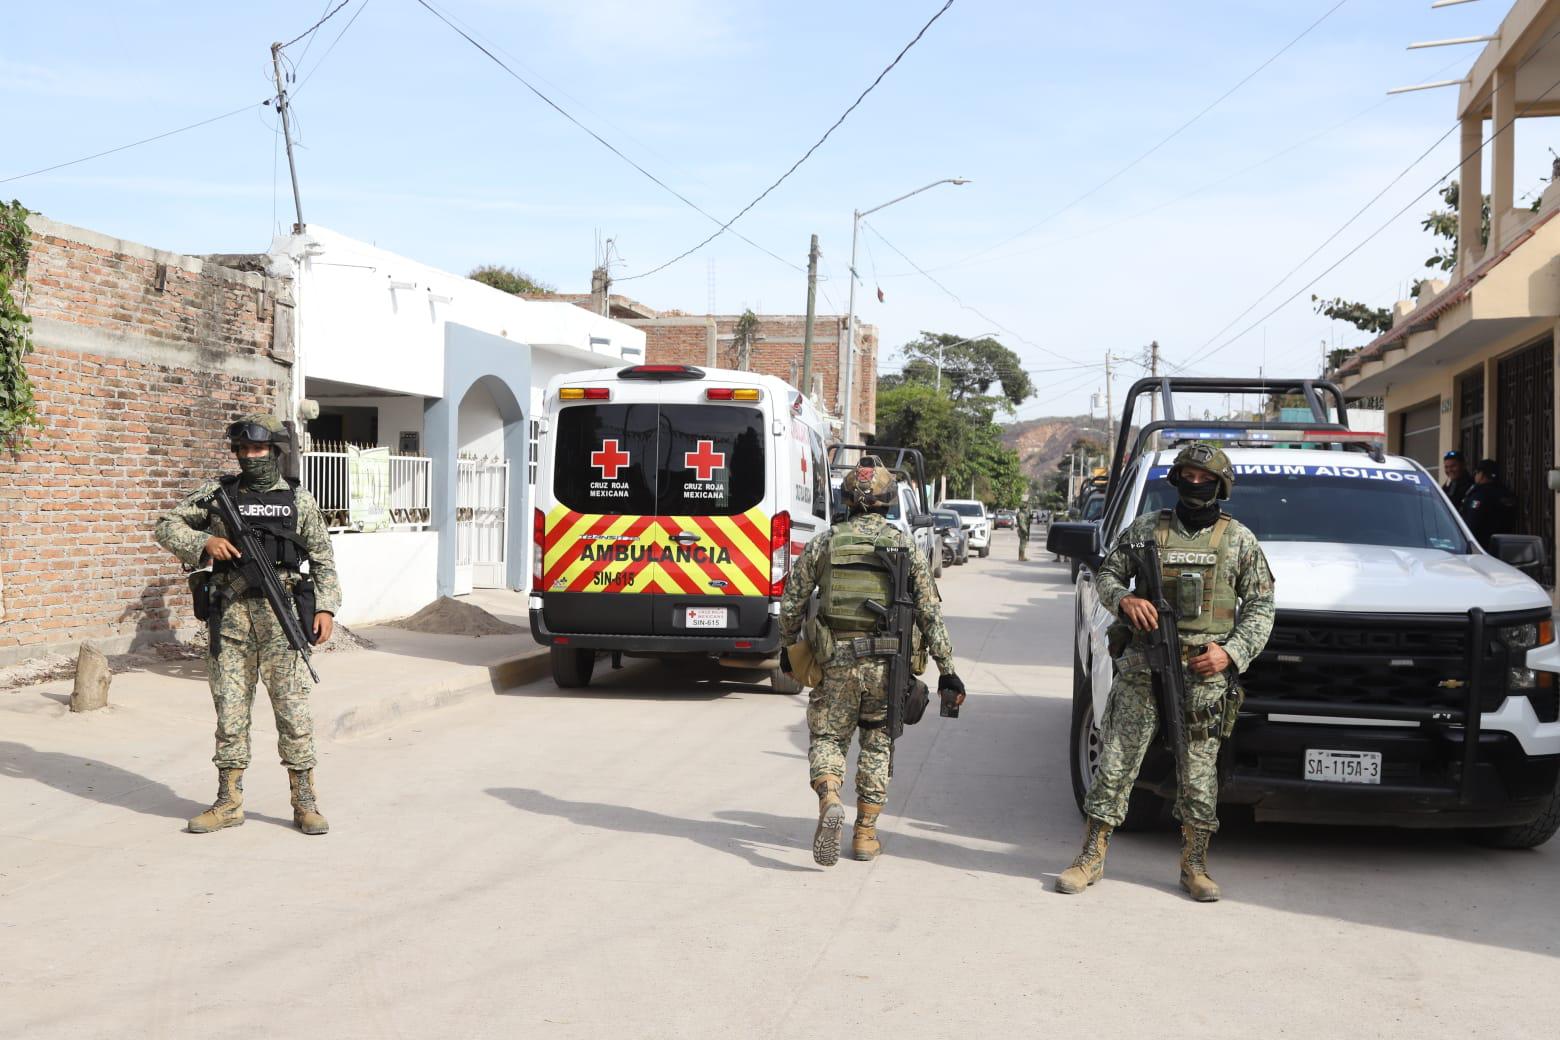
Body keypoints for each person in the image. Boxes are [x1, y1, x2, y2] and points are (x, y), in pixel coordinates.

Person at [1054, 442, 1274, 902]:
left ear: (1221, 486)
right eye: (1188, 476)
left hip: (1203, 674)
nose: (1195, 485)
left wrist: (1231, 653)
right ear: (1176, 480)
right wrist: (1126, 601)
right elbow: (1107, 576)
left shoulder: (1240, 542)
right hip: (1144, 666)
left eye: (1205, 478)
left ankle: (1194, 865)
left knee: (1198, 774)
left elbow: (1260, 607)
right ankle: (1090, 857)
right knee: (1114, 762)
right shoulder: (1145, 532)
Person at [154, 415, 341, 836]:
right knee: (230, 715)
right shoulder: (219, 494)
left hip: (283, 622)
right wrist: (204, 542)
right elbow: (166, 525)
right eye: (244, 451)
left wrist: (325, 608)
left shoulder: (299, 500)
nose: (252, 457)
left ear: (275, 451)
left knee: (293, 715)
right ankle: (229, 802)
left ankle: (304, 802)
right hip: (231, 623)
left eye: (259, 450)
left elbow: (324, 559)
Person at [778, 457, 964, 867]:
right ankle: (864, 835)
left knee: (828, 738)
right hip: (888, 663)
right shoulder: (903, 546)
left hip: (835, 660)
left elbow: (792, 602)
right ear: (888, 502)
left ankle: (829, 795)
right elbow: (930, 612)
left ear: (846, 500)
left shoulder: (825, 543)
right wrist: (948, 670)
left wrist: (788, 648)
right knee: (877, 743)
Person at [1460, 458, 1517, 552]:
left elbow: (1471, 523)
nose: (1475, 476)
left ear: (1482, 475)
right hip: (1504, 547)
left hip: (1481, 547)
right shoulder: (1506, 494)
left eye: (1477, 473)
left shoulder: (1480, 495)